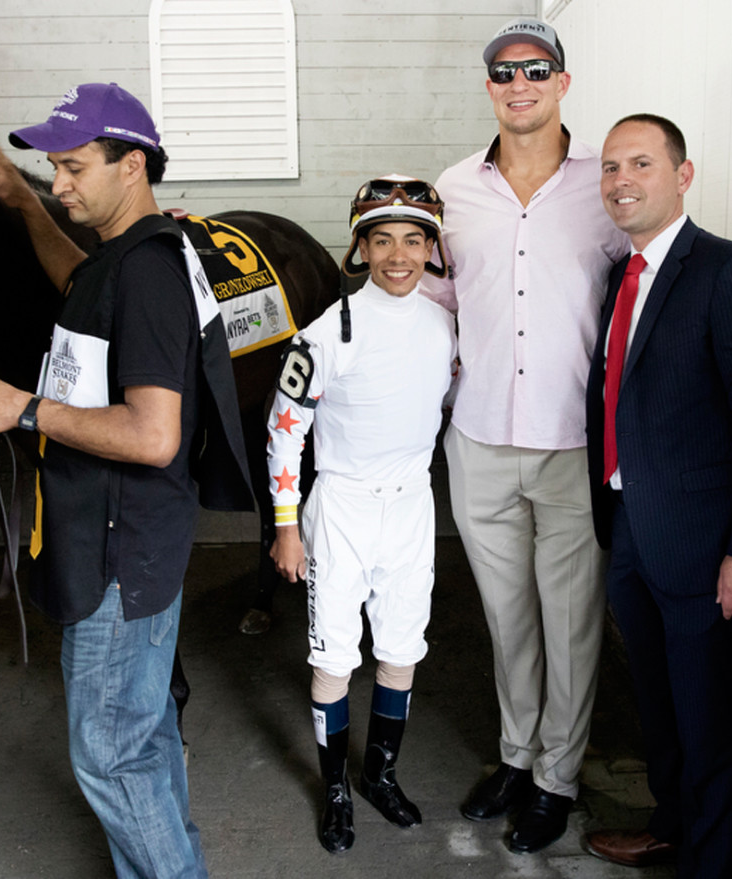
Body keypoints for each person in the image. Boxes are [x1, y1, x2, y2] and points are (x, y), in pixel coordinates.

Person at [0, 83, 251, 879]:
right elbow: (79, 280)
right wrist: (21, 203)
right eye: (53, 168)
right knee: (142, 740)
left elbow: (154, 436)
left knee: (110, 758)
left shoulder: (149, 274)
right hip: (135, 545)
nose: (61, 184)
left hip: (119, 558)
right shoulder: (130, 258)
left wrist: (24, 410)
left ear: (133, 165)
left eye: (74, 167)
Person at [421, 16, 629, 853]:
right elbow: (430, 302)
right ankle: (516, 754)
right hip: (477, 438)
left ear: (563, 83)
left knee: (570, 617)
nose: (521, 83)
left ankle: (557, 776)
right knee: (507, 615)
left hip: (573, 443)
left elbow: (646, 281)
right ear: (489, 87)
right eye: (505, 71)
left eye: (537, 69)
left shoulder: (602, 188)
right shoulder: (453, 188)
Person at [581, 114, 732, 878]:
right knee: (661, 706)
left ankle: (708, 864)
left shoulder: (730, 271)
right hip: (633, 524)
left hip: (707, 541)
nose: (621, 181)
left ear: (683, 174)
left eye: (640, 163)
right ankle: (671, 826)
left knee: (705, 715)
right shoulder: (622, 274)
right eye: (609, 167)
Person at [268, 177, 457, 854]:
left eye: (413, 239)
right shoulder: (325, 333)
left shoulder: (444, 325)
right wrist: (287, 527)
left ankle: (379, 772)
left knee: (403, 650)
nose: (398, 255)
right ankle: (336, 788)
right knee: (335, 660)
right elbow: (284, 433)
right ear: (361, 248)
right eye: (382, 240)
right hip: (341, 508)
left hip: (411, 506)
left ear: (432, 247)